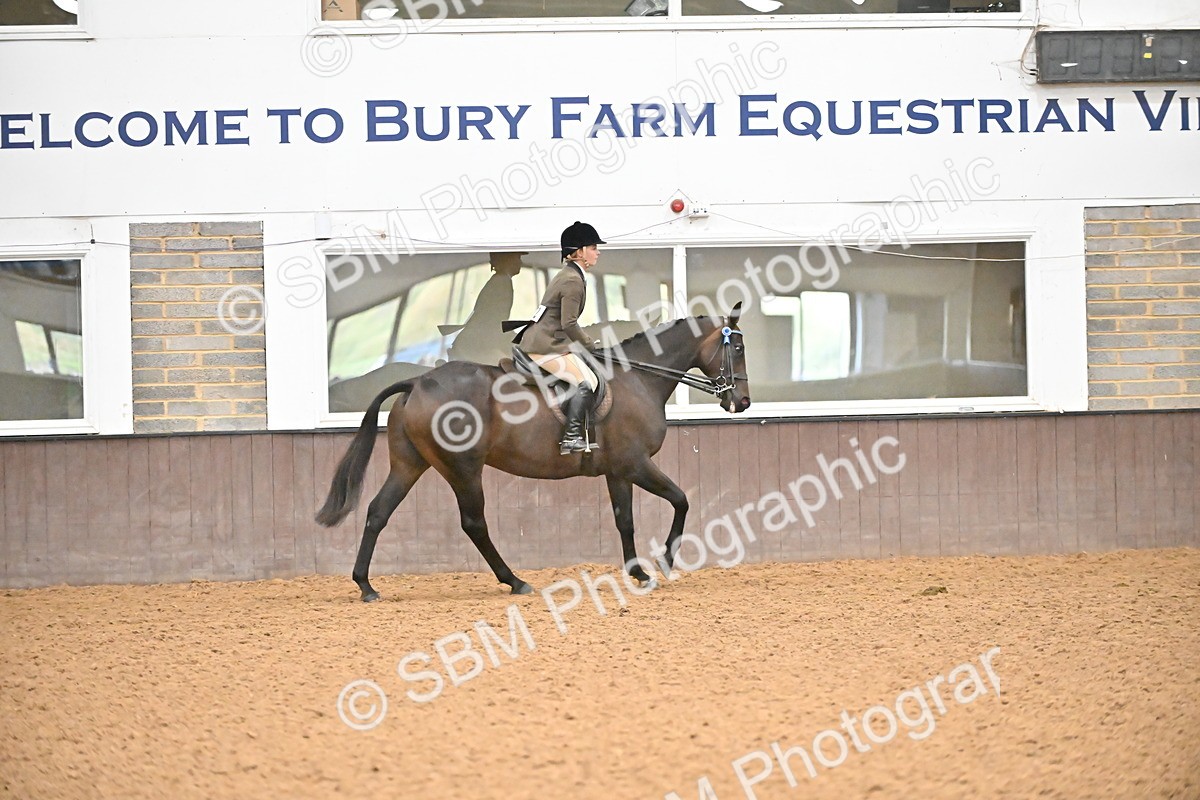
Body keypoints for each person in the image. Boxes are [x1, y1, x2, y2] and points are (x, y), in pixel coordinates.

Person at [519, 221, 605, 455]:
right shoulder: (572, 280)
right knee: (585, 383)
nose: (598, 252)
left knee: (592, 378)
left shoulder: (571, 274)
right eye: (593, 247)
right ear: (580, 252)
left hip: (551, 341)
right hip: (544, 346)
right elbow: (569, 323)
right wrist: (588, 344)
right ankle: (571, 437)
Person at [446, 251, 525, 366]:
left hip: (477, 341)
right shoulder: (501, 281)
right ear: (508, 260)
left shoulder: (500, 280)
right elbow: (492, 321)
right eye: (518, 258)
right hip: (478, 345)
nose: (521, 262)